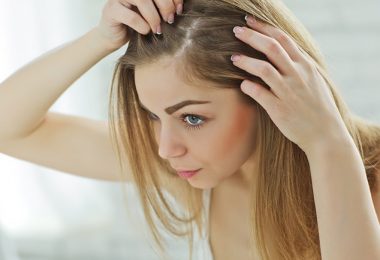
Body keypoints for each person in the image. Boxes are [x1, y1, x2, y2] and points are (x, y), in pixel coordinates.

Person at [0, 0, 379, 259]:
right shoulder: (193, 172)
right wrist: (100, 39)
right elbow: (8, 129)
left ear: (269, 92)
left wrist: (328, 143)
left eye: (192, 118)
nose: (166, 148)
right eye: (153, 115)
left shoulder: (369, 171)